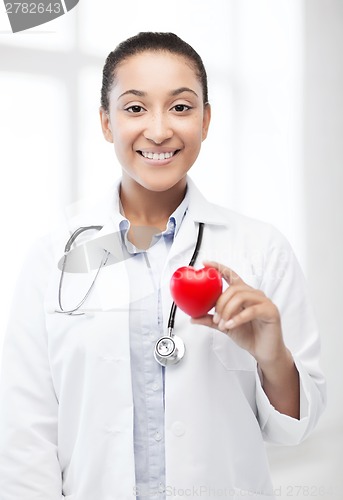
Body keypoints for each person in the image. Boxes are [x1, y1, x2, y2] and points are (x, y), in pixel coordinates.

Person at [0, 32, 326, 500]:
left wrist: (272, 357)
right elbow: (25, 435)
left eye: (181, 107)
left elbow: (297, 429)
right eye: (134, 108)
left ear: (206, 119)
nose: (158, 130)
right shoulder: (55, 256)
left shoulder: (261, 248)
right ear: (106, 123)